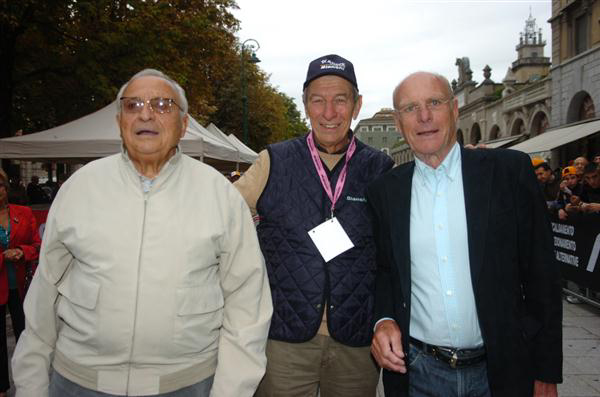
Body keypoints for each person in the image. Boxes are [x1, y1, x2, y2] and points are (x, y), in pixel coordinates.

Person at [11, 69, 272, 397]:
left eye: (162, 104)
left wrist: (231, 391)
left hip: (188, 385)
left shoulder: (219, 194)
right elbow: (42, 298)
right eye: (132, 105)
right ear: (120, 120)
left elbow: (248, 302)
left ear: (184, 124)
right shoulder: (79, 188)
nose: (145, 113)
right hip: (78, 383)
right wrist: (31, 387)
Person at [367, 71, 562, 397]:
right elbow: (386, 270)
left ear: (455, 109)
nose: (424, 116)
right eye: (410, 108)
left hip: (502, 370)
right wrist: (383, 319)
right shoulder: (385, 192)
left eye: (434, 102)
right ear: (399, 124)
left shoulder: (509, 173)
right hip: (417, 373)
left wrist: (545, 370)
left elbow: (542, 273)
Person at [234, 54, 394, 396]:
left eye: (340, 100)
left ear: (357, 105)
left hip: (356, 342)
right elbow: (223, 218)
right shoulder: (273, 160)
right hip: (284, 340)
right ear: (305, 104)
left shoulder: (380, 168)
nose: (329, 112)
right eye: (318, 101)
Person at [0, 169, 41, 397]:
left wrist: (21, 251)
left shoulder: (24, 213)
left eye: (0, 186)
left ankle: (29, 386)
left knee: (26, 337)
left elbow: (37, 245)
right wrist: (3, 256)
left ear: (7, 188)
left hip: (23, 288)